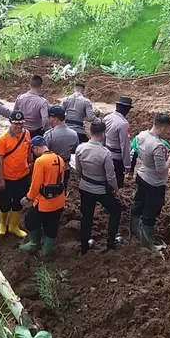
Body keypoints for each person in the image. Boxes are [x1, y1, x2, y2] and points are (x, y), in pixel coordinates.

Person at [132, 113, 170, 251]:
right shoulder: (158, 146)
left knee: (139, 203)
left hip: (142, 175)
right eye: (168, 129)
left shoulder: (141, 135)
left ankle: (135, 230)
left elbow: (135, 150)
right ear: (163, 128)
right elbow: (162, 169)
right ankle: (148, 242)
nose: (169, 131)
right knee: (151, 211)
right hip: (154, 182)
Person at [75, 122, 121, 254]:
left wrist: (83, 180)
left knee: (87, 216)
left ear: (90, 132)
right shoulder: (105, 153)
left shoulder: (80, 149)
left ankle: (84, 244)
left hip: (85, 187)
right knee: (115, 210)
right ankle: (111, 241)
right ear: (103, 135)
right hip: (101, 189)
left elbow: (78, 170)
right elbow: (110, 177)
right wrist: (116, 190)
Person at [20, 136, 65, 256]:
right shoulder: (59, 159)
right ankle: (46, 252)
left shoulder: (40, 162)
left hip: (44, 203)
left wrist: (28, 198)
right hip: (59, 201)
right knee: (52, 226)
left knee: (30, 220)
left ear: (35, 149)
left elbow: (36, 184)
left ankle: (35, 243)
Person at [0, 110, 31, 238]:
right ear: (10, 123)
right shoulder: (3, 138)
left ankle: (14, 226)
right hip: (7, 177)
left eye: (21, 124)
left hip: (22, 176)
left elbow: (28, 150)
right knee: (5, 202)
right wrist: (1, 178)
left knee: (18, 202)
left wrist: (30, 162)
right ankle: (3, 224)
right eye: (15, 124)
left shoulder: (27, 134)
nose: (18, 127)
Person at [102, 96, 133, 188]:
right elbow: (125, 145)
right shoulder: (123, 124)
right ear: (127, 110)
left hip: (106, 153)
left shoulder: (107, 118)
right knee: (116, 184)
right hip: (117, 159)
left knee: (106, 179)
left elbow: (102, 137)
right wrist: (127, 164)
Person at [43, 105, 78, 184]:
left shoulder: (49, 134)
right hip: (65, 168)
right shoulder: (74, 134)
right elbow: (74, 151)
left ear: (55, 120)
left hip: (51, 169)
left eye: (49, 118)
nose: (48, 120)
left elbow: (44, 153)